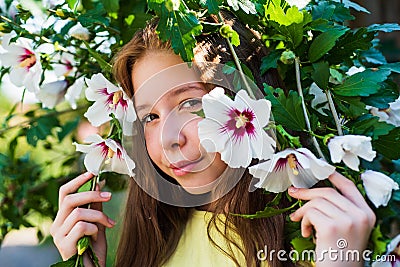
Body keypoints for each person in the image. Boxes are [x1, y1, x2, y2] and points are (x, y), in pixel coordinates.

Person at [50, 11, 376, 267]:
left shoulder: (313, 238)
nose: (167, 140)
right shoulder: (151, 240)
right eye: (150, 116)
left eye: (190, 102)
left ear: (247, 102)